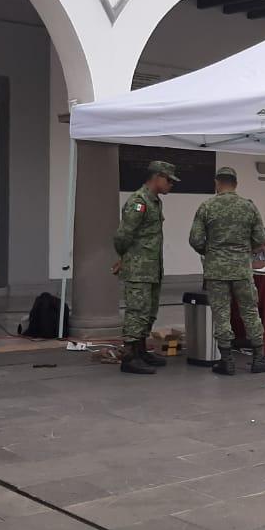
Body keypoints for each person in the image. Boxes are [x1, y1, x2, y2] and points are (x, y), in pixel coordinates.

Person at [189, 166, 265, 376]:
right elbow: (260, 239)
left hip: (216, 270)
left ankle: (227, 361)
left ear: (217, 182)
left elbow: (195, 239)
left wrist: (212, 252)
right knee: (250, 312)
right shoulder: (248, 207)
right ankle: (258, 359)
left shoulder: (207, 206)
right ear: (236, 183)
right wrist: (243, 250)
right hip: (242, 269)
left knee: (221, 314)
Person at [112, 160, 176, 375]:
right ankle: (129, 356)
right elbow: (123, 235)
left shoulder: (155, 202)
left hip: (152, 267)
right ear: (156, 177)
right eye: (168, 180)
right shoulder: (138, 202)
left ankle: (140, 351)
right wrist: (125, 257)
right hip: (139, 268)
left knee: (148, 312)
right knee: (136, 311)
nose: (171, 185)